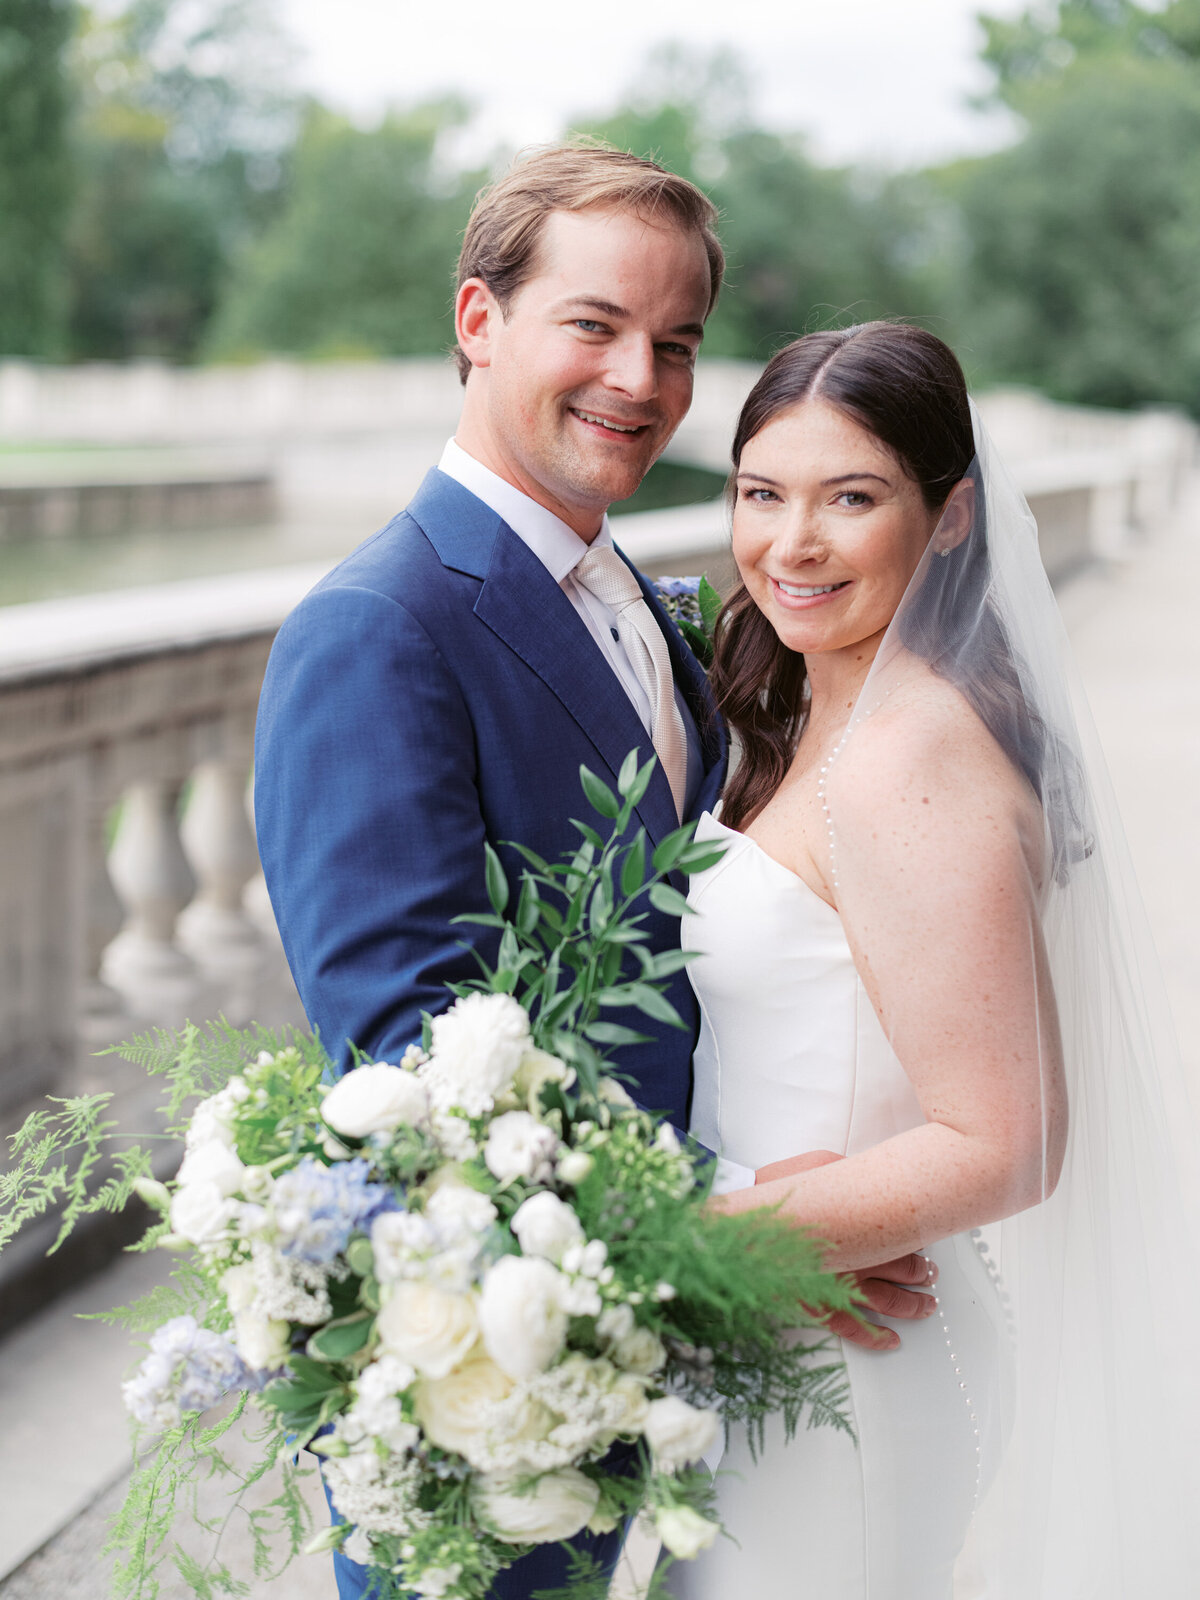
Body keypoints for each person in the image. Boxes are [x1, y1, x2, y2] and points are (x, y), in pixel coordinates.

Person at [252, 149, 933, 1600]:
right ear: (478, 318)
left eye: (677, 341)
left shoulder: (648, 598)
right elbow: (411, 1055)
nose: (641, 375)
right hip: (493, 1386)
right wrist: (754, 1221)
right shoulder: (377, 628)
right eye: (595, 324)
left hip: (672, 1372)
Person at [669, 321, 1200, 1598]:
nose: (790, 544)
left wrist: (691, 1240)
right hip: (788, 1321)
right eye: (761, 493)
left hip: (840, 1363)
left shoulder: (910, 758)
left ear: (951, 516)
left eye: (850, 498)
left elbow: (1001, 1137)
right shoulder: (819, 713)